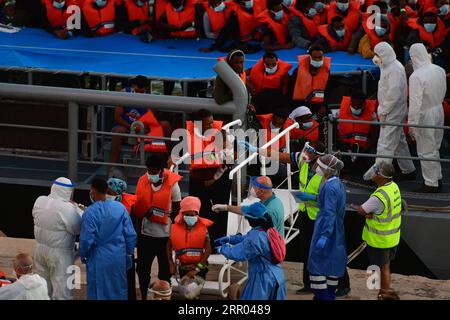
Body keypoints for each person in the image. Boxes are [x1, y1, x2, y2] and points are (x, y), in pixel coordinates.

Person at [297, 154, 347, 300]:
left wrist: (324, 235)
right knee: (331, 266)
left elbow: (329, 214)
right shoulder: (337, 183)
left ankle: (323, 297)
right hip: (336, 230)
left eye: (319, 166)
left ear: (326, 169)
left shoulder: (329, 187)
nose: (316, 168)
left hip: (325, 230)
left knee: (316, 267)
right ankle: (329, 295)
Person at [79, 178, 137, 300]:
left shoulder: (90, 212)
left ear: (93, 191)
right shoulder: (120, 208)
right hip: (118, 257)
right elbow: (130, 235)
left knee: (98, 290)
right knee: (118, 289)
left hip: (98, 258)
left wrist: (83, 254)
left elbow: (86, 239)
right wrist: (128, 254)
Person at [215, 202, 287, 300]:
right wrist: (230, 238)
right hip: (277, 275)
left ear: (252, 219)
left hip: (263, 279)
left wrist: (222, 249)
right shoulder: (267, 230)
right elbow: (246, 238)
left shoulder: (256, 237)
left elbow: (237, 254)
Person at [133, 153, 182, 300]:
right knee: (142, 270)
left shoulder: (173, 185)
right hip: (146, 235)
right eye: (149, 171)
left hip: (164, 238)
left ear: (161, 171)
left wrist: (173, 238)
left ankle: (164, 296)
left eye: (153, 172)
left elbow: (177, 211)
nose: (150, 174)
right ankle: (143, 295)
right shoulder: (142, 181)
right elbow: (137, 209)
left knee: (165, 272)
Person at [354, 162, 401, 300]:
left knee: (380, 268)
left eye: (375, 171)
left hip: (379, 240)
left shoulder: (378, 197)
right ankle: (383, 294)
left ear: (380, 176)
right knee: (386, 266)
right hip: (392, 238)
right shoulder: (394, 187)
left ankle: (383, 294)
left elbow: (361, 210)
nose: (373, 173)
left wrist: (367, 214)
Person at [370, 42, 417, 180]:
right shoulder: (386, 65)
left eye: (378, 54)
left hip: (392, 112)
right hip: (390, 110)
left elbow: (394, 94)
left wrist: (384, 111)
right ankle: (408, 170)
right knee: (399, 142)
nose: (376, 57)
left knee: (385, 143)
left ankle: (379, 175)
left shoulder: (395, 69)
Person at [32, 177, 82, 300]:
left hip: (39, 250)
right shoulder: (68, 208)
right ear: (67, 191)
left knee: (42, 289)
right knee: (63, 292)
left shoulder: (40, 200)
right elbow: (78, 228)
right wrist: (79, 210)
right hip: (61, 254)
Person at [185, 109, 232, 241]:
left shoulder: (223, 134)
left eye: (212, 123)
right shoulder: (189, 135)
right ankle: (196, 241)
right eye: (208, 124)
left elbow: (229, 160)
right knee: (197, 210)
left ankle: (217, 242)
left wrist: (214, 178)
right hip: (197, 178)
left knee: (217, 212)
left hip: (218, 179)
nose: (212, 126)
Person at [408, 43, 446, 192]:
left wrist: (412, 125)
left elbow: (415, 103)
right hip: (439, 109)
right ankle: (437, 177)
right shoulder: (439, 70)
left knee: (425, 150)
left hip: (425, 114)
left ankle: (431, 183)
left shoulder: (416, 76)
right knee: (435, 147)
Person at [110, 75, 168, 164]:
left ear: (147, 89)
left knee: (165, 125)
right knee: (118, 131)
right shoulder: (123, 93)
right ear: (132, 86)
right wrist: (132, 127)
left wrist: (144, 127)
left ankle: (169, 158)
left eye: (142, 92)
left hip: (144, 127)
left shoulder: (151, 98)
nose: (139, 94)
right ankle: (112, 165)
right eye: (136, 91)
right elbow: (117, 118)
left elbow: (151, 118)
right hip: (127, 128)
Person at [166, 196, 213, 299]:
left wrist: (197, 269)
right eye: (187, 215)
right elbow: (168, 245)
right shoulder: (175, 228)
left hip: (200, 268)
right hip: (183, 268)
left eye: (193, 215)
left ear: (197, 214)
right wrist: (171, 263)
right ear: (182, 214)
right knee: (186, 294)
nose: (190, 217)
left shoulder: (203, 229)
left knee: (192, 293)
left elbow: (209, 249)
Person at [212, 176, 285, 238]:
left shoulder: (269, 211)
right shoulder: (271, 200)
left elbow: (264, 240)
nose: (251, 189)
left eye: (254, 187)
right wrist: (225, 207)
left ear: (261, 191)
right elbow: (246, 210)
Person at [106, 177, 138, 300]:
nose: (108, 195)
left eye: (110, 192)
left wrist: (129, 253)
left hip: (121, 249)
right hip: (119, 249)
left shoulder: (129, 208)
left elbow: (131, 233)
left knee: (125, 281)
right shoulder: (122, 207)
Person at [336, 90, 379, 174]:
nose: (355, 108)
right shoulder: (339, 113)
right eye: (353, 105)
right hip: (345, 145)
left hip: (364, 147)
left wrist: (362, 152)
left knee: (371, 158)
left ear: (363, 104)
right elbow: (335, 133)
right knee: (343, 158)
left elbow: (375, 135)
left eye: (358, 106)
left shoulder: (372, 115)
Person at [289, 45, 332, 115]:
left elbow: (328, 90)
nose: (317, 60)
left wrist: (324, 105)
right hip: (300, 104)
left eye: (320, 58)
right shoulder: (297, 72)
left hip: (318, 104)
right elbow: (290, 90)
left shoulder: (327, 72)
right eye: (315, 57)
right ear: (310, 57)